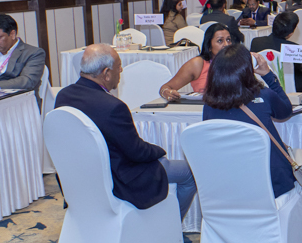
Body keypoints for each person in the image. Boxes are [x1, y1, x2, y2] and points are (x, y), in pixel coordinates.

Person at [55, 44, 196, 218]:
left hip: (79, 178)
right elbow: (137, 152)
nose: (121, 70)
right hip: (117, 178)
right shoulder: (113, 107)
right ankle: (171, 227)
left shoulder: (63, 96)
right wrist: (160, 151)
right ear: (106, 73)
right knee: (189, 173)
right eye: (119, 66)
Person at [202, 44, 296, 201]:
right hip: (272, 183)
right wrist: (268, 75)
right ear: (248, 70)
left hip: (228, 184)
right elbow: (286, 111)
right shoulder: (265, 96)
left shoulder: (209, 105)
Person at [159, 23, 232, 100]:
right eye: (220, 41)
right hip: (203, 106)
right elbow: (165, 87)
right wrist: (167, 93)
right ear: (209, 46)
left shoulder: (237, 63)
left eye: (228, 40)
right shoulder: (198, 64)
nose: (226, 44)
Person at [250, 12, 302, 92]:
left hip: (261, 89)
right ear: (290, 34)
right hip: (289, 91)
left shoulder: (256, 42)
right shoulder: (294, 49)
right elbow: (301, 76)